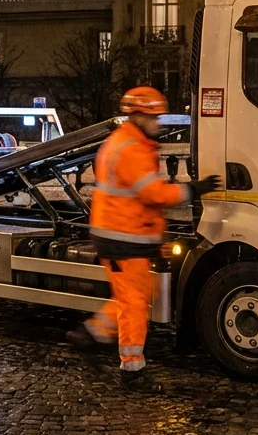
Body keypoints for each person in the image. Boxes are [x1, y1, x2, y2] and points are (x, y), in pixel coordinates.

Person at [67, 86, 221, 390]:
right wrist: (194, 189)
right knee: (134, 303)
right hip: (123, 236)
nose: (158, 123)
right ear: (136, 116)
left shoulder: (125, 142)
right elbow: (153, 194)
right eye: (153, 117)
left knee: (131, 297)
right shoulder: (132, 148)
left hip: (121, 233)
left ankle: (91, 333)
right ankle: (132, 370)